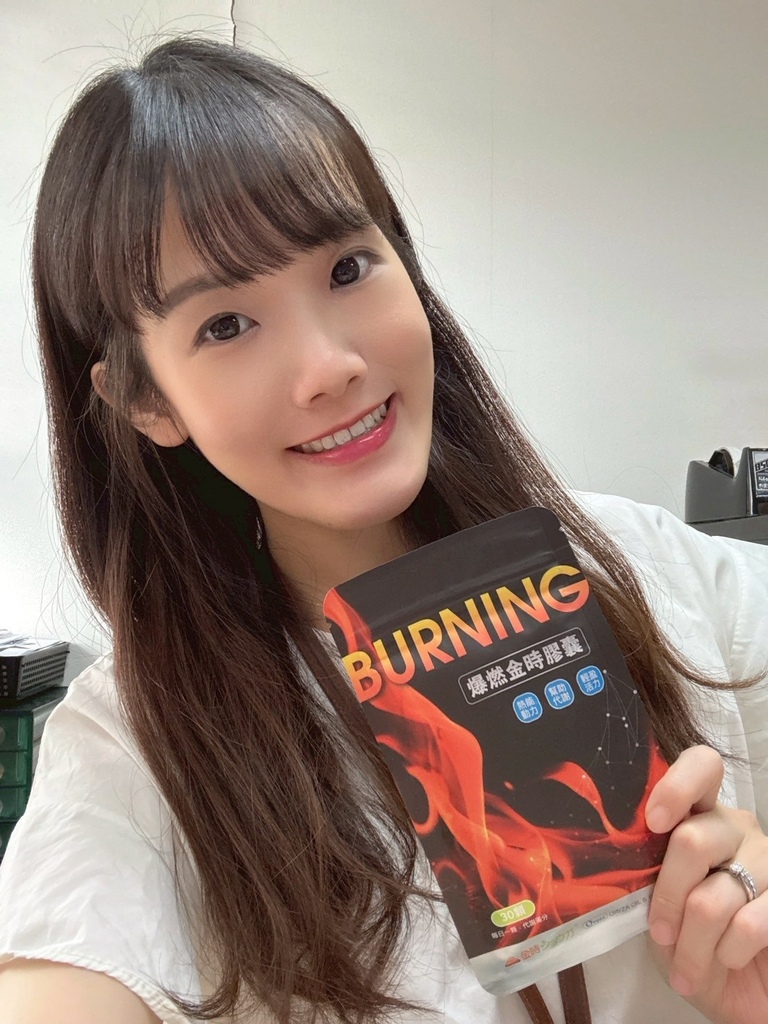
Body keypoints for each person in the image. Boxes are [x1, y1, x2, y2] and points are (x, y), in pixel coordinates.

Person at [0, 35, 767, 1024]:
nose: (330, 366)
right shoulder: (137, 746)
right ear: (146, 399)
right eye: (225, 325)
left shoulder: (656, 573)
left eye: (348, 266)